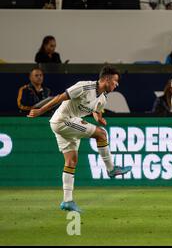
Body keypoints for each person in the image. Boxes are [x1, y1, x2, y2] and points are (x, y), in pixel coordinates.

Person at [27, 65, 132, 213]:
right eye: (115, 81)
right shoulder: (84, 86)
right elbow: (59, 98)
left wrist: (99, 118)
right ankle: (111, 169)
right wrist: (40, 111)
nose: (117, 84)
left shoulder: (102, 98)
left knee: (71, 161)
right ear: (106, 79)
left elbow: (97, 111)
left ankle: (67, 201)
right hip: (62, 120)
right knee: (101, 134)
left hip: (69, 125)